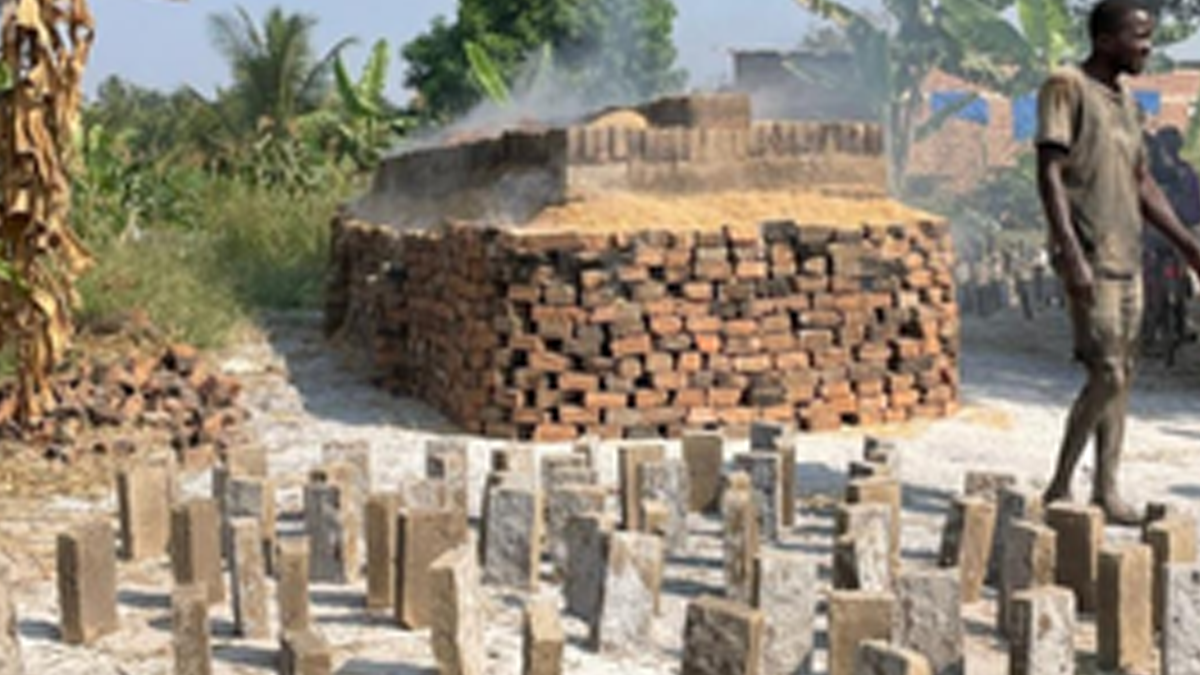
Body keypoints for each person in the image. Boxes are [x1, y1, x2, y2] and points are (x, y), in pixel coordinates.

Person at [1036, 0, 1200, 525]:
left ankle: (1105, 490)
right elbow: (1050, 172)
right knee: (1105, 372)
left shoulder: (1128, 102)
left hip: (1127, 257)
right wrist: (1069, 252)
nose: (1148, 48)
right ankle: (1060, 485)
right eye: (1140, 37)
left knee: (1123, 374)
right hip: (1090, 257)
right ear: (1106, 40)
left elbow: (1142, 182)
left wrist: (1186, 244)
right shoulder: (1066, 86)